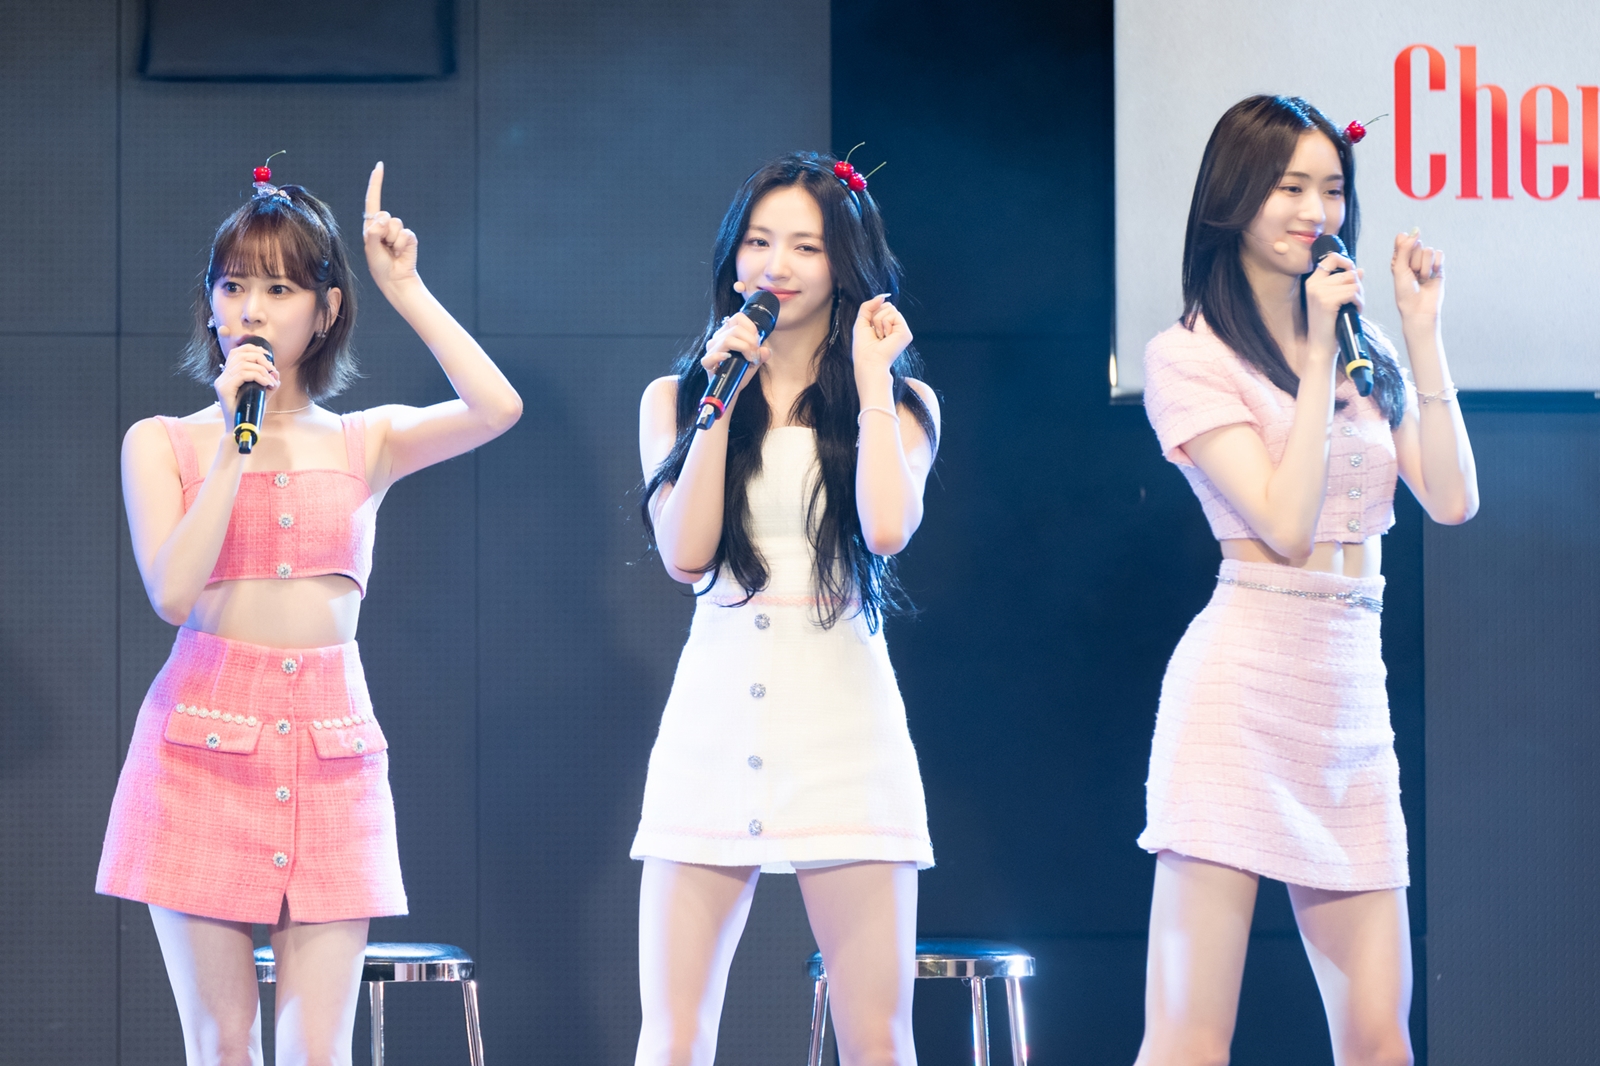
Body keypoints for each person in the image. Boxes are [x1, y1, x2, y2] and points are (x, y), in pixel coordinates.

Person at [97, 161, 521, 1066]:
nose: (251, 308)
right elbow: (172, 593)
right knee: (223, 1047)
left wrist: (405, 287)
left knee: (317, 1053)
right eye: (233, 286)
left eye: (279, 288)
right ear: (210, 303)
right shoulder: (162, 443)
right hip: (198, 750)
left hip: (333, 753)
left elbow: (497, 408)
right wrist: (232, 445)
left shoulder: (367, 439)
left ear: (325, 310)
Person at [1134, 95, 1479, 1066]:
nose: (1315, 211)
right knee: (1190, 1041)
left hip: (1349, 695)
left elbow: (1453, 498)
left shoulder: (1367, 351)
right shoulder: (1187, 356)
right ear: (1234, 196)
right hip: (1240, 691)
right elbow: (1283, 526)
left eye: (1331, 189)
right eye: (1290, 187)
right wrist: (1320, 350)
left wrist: (1420, 331)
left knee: (1379, 1042)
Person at [632, 151, 940, 1066]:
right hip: (712, 724)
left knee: (876, 1038)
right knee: (673, 1036)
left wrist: (875, 382)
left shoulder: (902, 403)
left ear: (844, 263)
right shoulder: (676, 397)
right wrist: (720, 403)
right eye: (760, 242)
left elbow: (887, 528)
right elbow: (686, 555)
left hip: (845, 728)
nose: (778, 265)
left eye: (805, 246)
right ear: (733, 260)